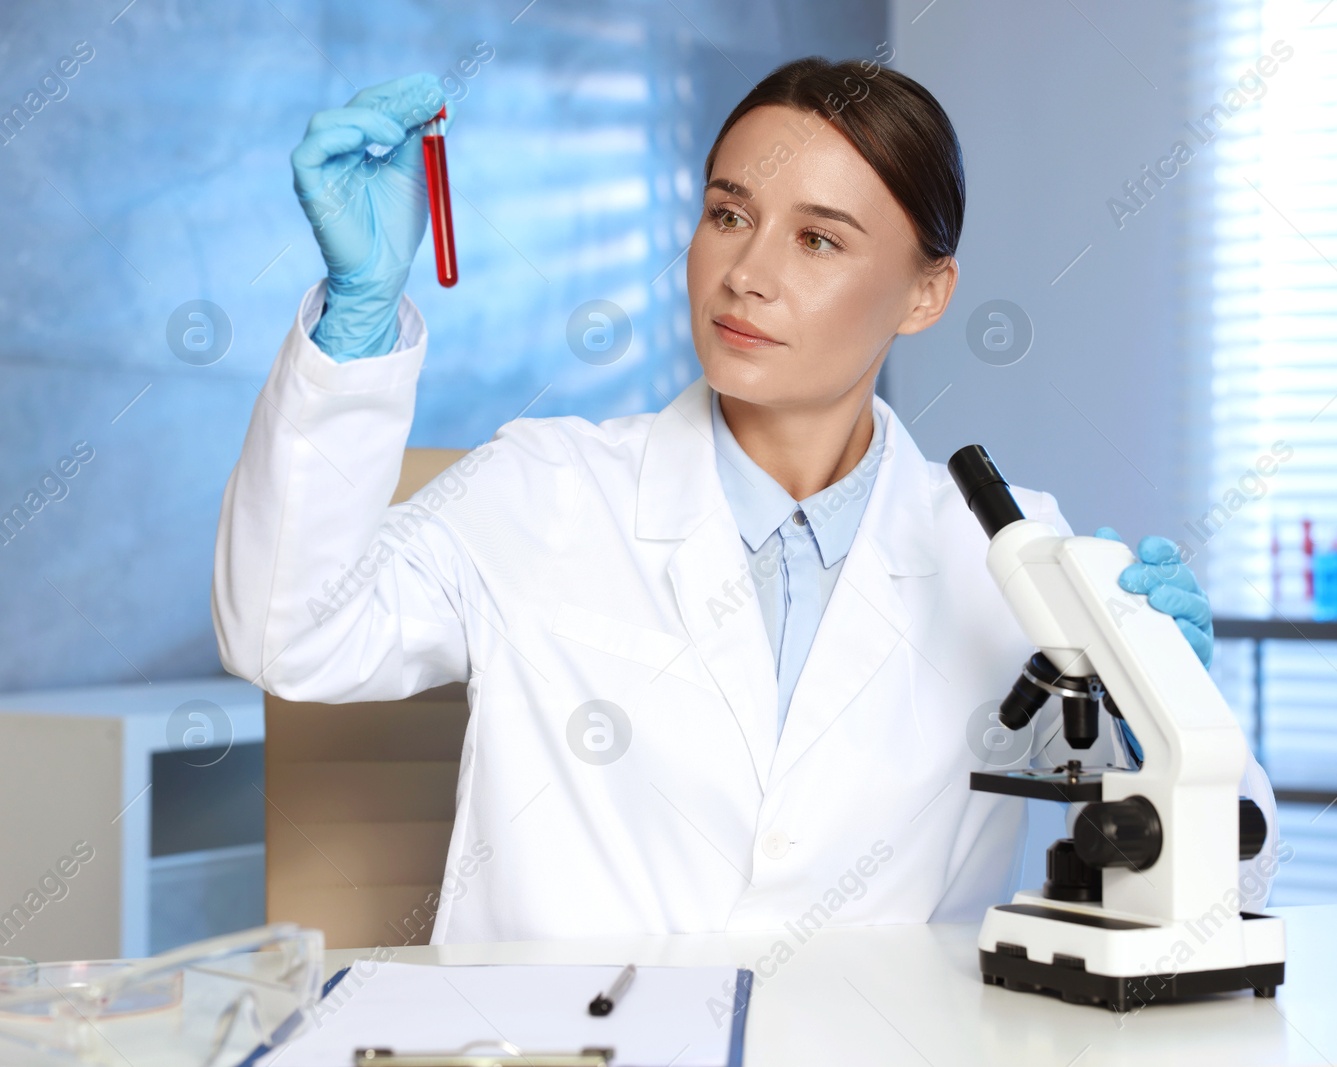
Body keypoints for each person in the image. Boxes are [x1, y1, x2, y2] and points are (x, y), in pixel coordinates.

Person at [213, 58, 1277, 944]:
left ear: (924, 292)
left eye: (817, 238)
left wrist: (1168, 721)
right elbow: (288, 632)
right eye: (729, 214)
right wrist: (357, 316)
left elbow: (1221, 893)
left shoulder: (1010, 559)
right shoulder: (544, 487)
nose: (745, 273)